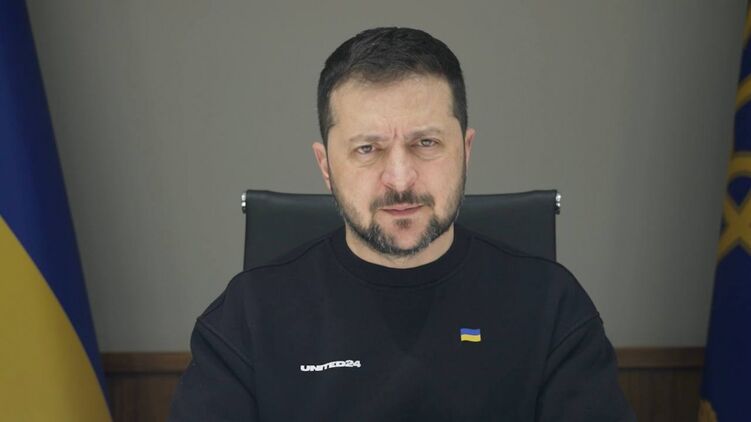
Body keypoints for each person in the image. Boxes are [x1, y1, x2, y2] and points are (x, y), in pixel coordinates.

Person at [169, 27, 636, 421]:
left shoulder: (551, 306)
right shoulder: (247, 317)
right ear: (326, 166)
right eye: (367, 149)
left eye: (426, 143)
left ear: (465, 150)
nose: (399, 178)